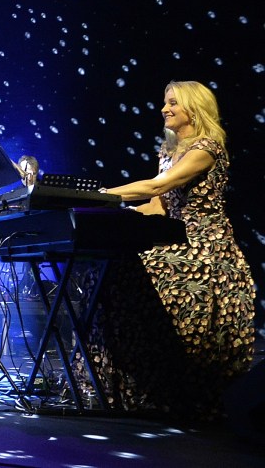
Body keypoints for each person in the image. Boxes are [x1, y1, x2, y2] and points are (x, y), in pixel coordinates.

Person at [84, 80, 255, 420]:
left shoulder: (207, 148)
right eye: (165, 102)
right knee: (110, 266)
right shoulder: (168, 152)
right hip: (175, 239)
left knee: (148, 270)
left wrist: (101, 195)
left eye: (173, 102)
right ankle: (129, 382)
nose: (165, 109)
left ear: (195, 108)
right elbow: (157, 205)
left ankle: (171, 388)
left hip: (206, 247)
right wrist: (112, 212)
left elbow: (158, 185)